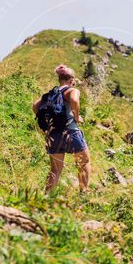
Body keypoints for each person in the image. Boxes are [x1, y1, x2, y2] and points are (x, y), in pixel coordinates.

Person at [33, 64, 91, 192]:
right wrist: (76, 117)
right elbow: (74, 101)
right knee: (84, 162)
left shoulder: (50, 94)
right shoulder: (71, 90)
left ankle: (46, 198)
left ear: (60, 79)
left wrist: (48, 125)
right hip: (71, 132)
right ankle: (84, 194)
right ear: (71, 80)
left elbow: (35, 106)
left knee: (55, 170)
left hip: (53, 135)